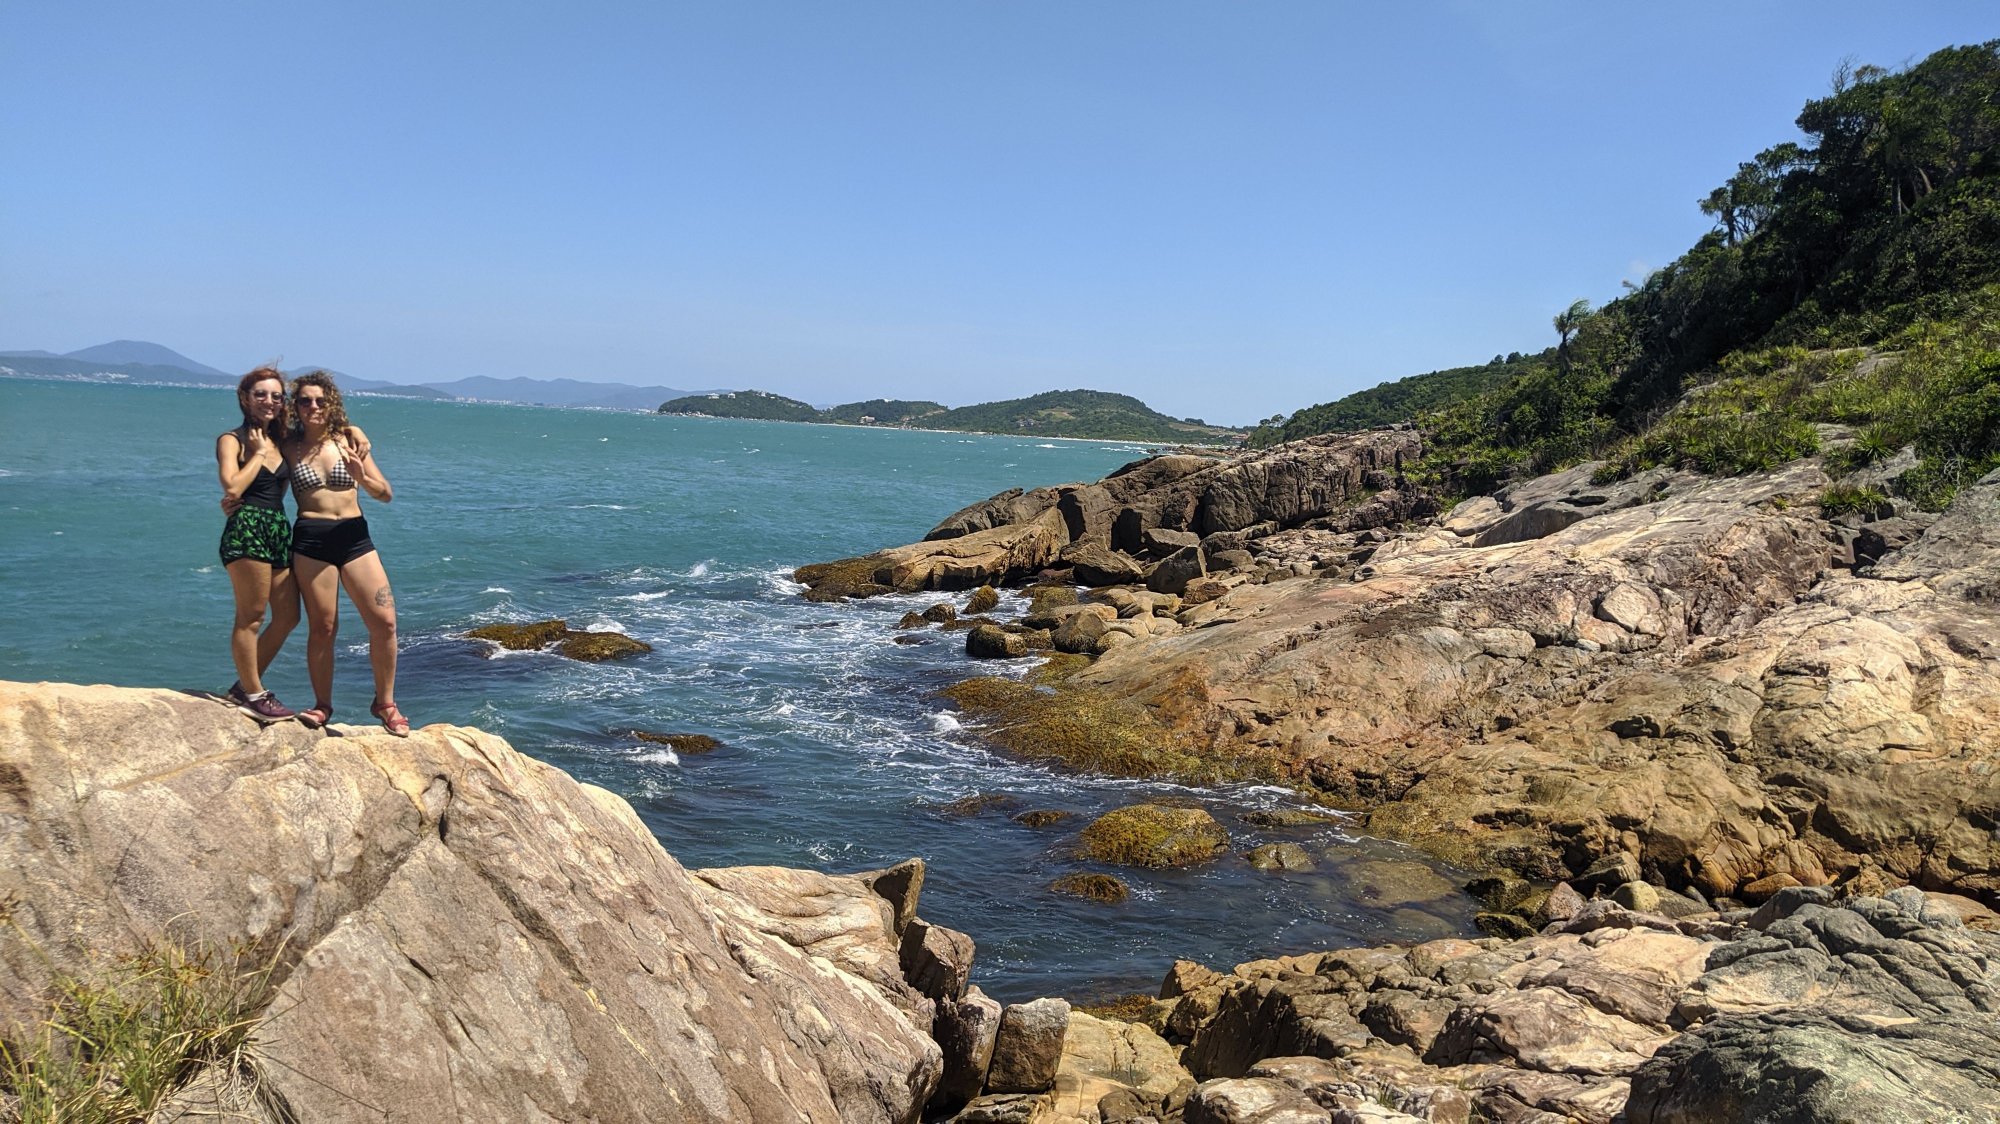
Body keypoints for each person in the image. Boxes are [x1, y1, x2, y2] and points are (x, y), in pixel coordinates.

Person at [284, 370, 411, 735]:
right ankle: (322, 705)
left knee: (385, 622)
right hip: (311, 541)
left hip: (354, 538)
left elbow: (385, 493)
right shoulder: (287, 445)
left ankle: (385, 702)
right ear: (296, 406)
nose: (313, 406)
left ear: (332, 404)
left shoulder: (349, 441)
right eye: (305, 401)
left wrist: (361, 476)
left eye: (320, 400)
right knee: (323, 627)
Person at [216, 367, 300, 721]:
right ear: (245, 398)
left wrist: (355, 432)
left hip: (277, 528)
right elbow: (232, 487)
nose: (269, 401)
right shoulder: (232, 440)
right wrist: (259, 454)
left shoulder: (282, 440)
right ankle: (254, 693)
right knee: (251, 616)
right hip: (247, 529)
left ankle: (243, 686)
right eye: (261, 394)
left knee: (289, 616)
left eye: (276, 396)